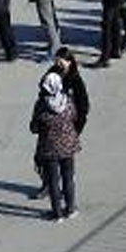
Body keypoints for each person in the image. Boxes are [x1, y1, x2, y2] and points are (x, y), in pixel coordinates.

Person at [30, 47, 89, 201]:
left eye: (60, 61)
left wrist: (76, 129)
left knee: (65, 167)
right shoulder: (52, 73)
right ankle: (48, 185)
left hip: (66, 128)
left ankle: (65, 193)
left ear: (69, 62)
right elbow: (43, 89)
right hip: (48, 127)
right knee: (41, 160)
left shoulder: (76, 80)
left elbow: (83, 107)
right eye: (56, 61)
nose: (57, 64)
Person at [30, 71, 81, 222]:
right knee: (68, 177)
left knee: (53, 180)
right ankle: (70, 208)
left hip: (49, 148)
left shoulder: (41, 105)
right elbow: (75, 116)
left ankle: (57, 213)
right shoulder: (68, 101)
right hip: (68, 145)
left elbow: (34, 128)